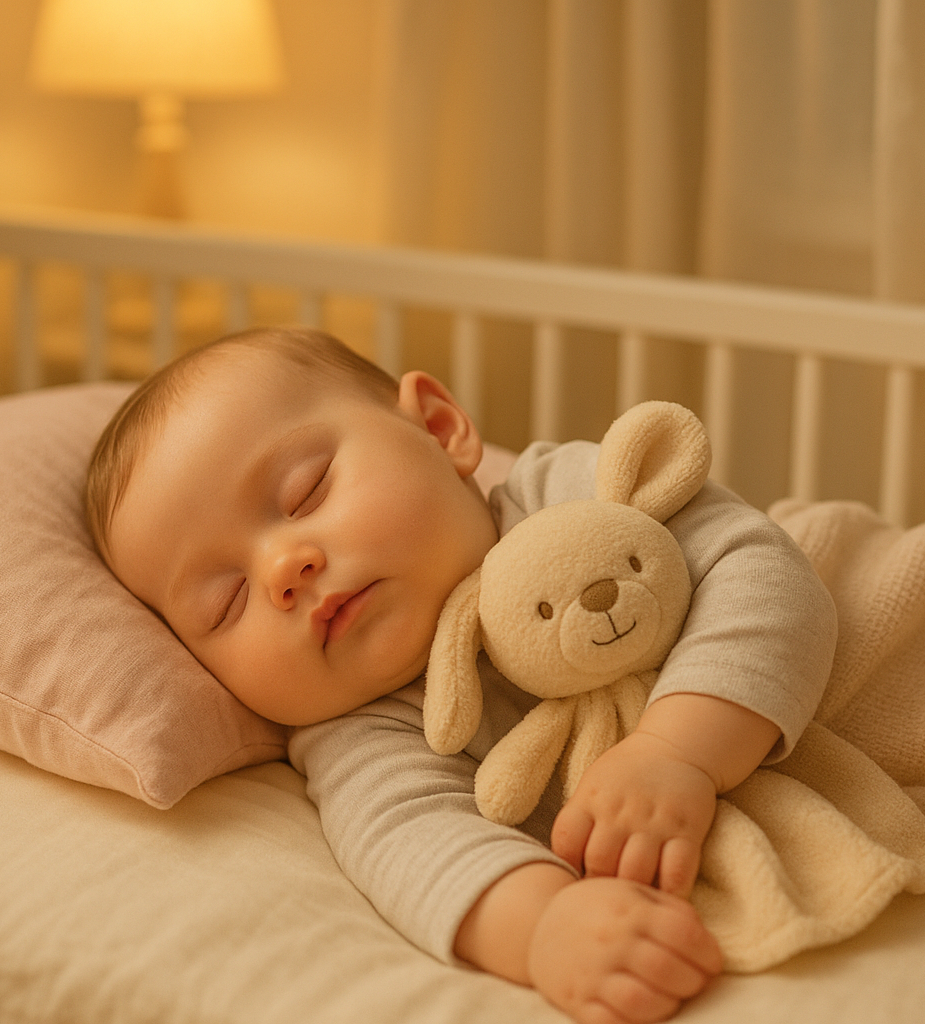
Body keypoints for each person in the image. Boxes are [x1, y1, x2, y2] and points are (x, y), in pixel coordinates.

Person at [86, 327, 837, 1024]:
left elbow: (761, 571)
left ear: (440, 430)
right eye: (226, 601)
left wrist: (678, 752)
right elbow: (411, 843)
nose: (285, 569)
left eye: (306, 492)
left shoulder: (567, 497)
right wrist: (545, 925)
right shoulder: (364, 736)